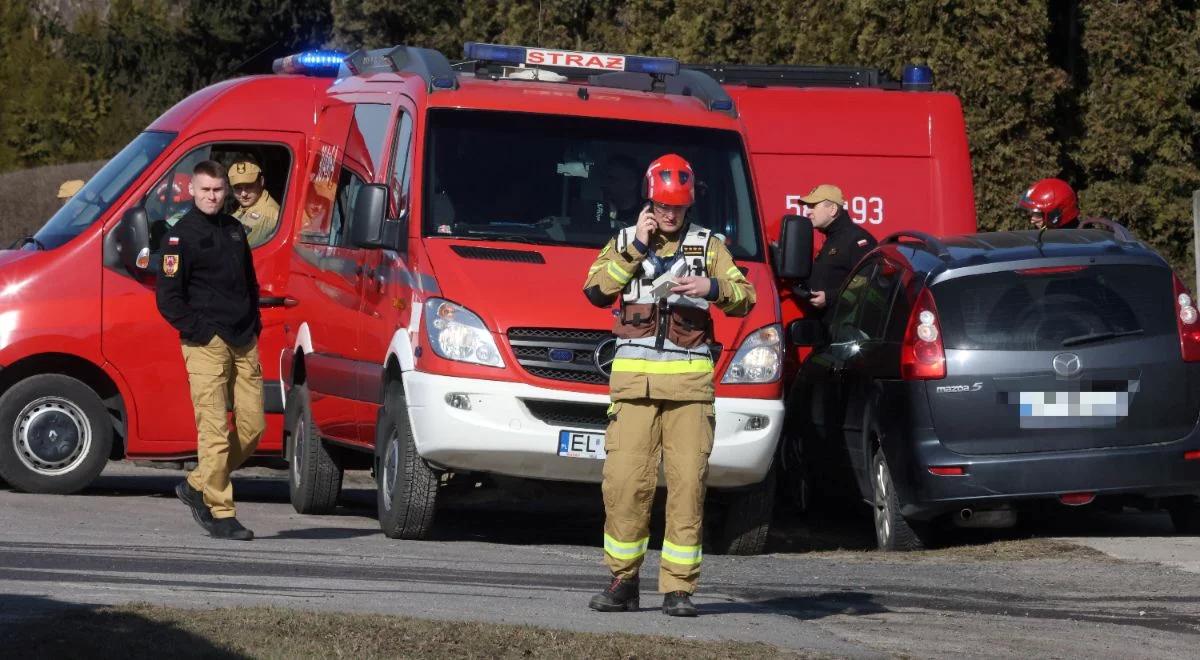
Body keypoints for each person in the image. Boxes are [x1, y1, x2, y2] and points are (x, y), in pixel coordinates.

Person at [582, 154, 756, 617]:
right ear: (649, 201)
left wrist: (713, 288)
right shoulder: (623, 241)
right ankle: (623, 581)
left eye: (677, 207)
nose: (670, 214)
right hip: (634, 389)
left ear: (689, 205)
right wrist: (636, 247)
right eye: (662, 205)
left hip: (690, 394)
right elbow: (596, 290)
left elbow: (745, 297)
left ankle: (679, 589)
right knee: (624, 486)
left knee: (687, 488)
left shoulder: (709, 246)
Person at [157, 160, 264, 541]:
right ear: (192, 191)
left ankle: (196, 483)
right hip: (206, 345)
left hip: (243, 340)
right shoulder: (178, 237)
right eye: (205, 190)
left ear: (226, 191)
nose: (212, 196)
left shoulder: (235, 230)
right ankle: (221, 512)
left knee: (253, 429)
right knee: (215, 434)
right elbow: (168, 299)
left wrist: (254, 326)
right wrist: (200, 332)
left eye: (218, 190)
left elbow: (249, 283)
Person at [801, 184, 876, 311]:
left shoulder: (858, 240)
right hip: (828, 322)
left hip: (844, 325)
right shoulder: (833, 238)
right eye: (808, 207)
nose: (808, 211)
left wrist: (829, 298)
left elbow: (867, 285)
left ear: (833, 209)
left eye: (814, 206)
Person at [229, 159, 280, 247]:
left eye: (249, 187)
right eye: (237, 188)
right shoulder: (250, 204)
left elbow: (238, 249)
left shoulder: (265, 216)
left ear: (261, 181)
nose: (243, 194)